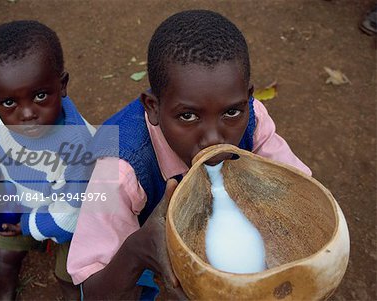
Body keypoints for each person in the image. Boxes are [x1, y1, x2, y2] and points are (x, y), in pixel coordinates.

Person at [67, 9, 312, 300]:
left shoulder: (253, 118)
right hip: (122, 226)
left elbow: (297, 193)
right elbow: (92, 290)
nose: (213, 139)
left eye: (231, 112)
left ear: (248, 97)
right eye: (188, 116)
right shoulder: (120, 170)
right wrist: (138, 249)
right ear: (153, 107)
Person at [0, 20, 94, 300]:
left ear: (62, 85)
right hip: (19, 202)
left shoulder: (78, 147)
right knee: (5, 254)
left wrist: (29, 226)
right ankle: (5, 294)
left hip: (67, 217)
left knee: (69, 275)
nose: (27, 113)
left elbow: (71, 212)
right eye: (8, 103)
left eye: (40, 96)